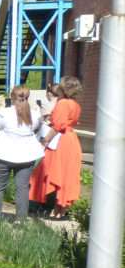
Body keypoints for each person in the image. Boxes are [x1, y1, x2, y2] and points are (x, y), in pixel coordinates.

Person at [0, 85, 43, 224]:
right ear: (28, 98)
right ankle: (20, 220)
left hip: (4, 155)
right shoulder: (35, 115)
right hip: (27, 156)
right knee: (22, 188)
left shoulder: (5, 113)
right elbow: (37, 128)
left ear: (12, 98)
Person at [30, 77, 83, 219]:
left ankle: (42, 207)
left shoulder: (63, 103)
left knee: (48, 171)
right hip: (71, 140)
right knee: (66, 174)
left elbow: (57, 126)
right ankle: (61, 209)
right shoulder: (75, 104)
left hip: (60, 141)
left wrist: (45, 140)